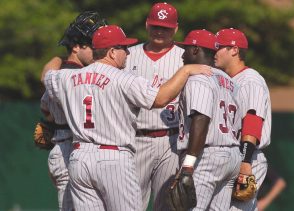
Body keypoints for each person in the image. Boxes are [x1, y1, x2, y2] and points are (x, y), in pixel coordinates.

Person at [42, 25, 212, 211]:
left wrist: (57, 58)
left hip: (79, 158)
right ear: (112, 52)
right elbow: (161, 98)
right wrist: (185, 71)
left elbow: (46, 75)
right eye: (123, 48)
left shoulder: (67, 77)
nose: (128, 52)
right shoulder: (123, 79)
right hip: (113, 158)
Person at [39, 11, 106, 211]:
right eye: (93, 46)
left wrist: (53, 123)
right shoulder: (77, 75)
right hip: (70, 147)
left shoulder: (58, 73)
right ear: (76, 46)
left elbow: (45, 110)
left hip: (66, 145)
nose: (98, 50)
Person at [123, 2, 184, 210]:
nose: (159, 31)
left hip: (171, 140)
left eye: (165, 27)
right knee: (130, 204)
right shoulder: (128, 54)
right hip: (135, 138)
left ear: (175, 29)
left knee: (167, 204)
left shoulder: (185, 57)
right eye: (156, 26)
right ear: (147, 25)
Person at [175, 29, 242, 210]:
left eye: (186, 48)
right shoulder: (230, 81)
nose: (182, 54)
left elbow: (201, 119)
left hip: (207, 156)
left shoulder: (198, 79)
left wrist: (188, 166)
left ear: (196, 50)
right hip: (232, 156)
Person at [214, 28, 272, 211]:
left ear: (234, 50)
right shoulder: (224, 79)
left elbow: (253, 121)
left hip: (249, 157)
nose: (214, 52)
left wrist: (246, 162)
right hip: (232, 156)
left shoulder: (250, 80)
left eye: (218, 47)